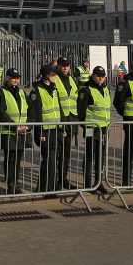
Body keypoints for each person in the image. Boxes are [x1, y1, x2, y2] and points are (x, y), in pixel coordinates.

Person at [29, 64, 64, 194]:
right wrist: (40, 133)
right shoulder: (37, 90)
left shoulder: (54, 89)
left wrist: (62, 127)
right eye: (53, 75)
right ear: (47, 76)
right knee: (48, 160)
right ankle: (47, 188)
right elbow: (37, 114)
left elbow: (58, 109)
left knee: (53, 159)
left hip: (56, 130)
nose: (55, 77)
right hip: (46, 131)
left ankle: (48, 186)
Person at [0, 68, 28, 195]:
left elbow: (30, 110)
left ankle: (16, 183)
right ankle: (10, 184)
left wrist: (28, 126)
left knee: (18, 160)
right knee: (10, 159)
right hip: (9, 132)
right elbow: (1, 114)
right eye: (13, 78)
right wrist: (15, 127)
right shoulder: (1, 93)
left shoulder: (22, 92)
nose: (15, 80)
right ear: (7, 78)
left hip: (22, 132)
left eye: (17, 78)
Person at [76, 66, 110, 192]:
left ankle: (98, 182)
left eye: (102, 75)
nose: (100, 78)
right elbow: (81, 109)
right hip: (91, 128)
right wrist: (84, 125)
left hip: (104, 128)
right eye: (98, 75)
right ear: (93, 76)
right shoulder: (86, 89)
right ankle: (88, 183)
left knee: (101, 156)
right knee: (90, 155)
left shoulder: (105, 89)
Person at [52, 57, 78, 190]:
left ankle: (63, 178)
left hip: (70, 121)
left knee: (66, 153)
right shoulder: (54, 79)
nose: (65, 68)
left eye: (67, 65)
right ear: (58, 66)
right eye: (63, 65)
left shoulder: (72, 80)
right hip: (58, 121)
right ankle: (52, 180)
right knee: (55, 153)